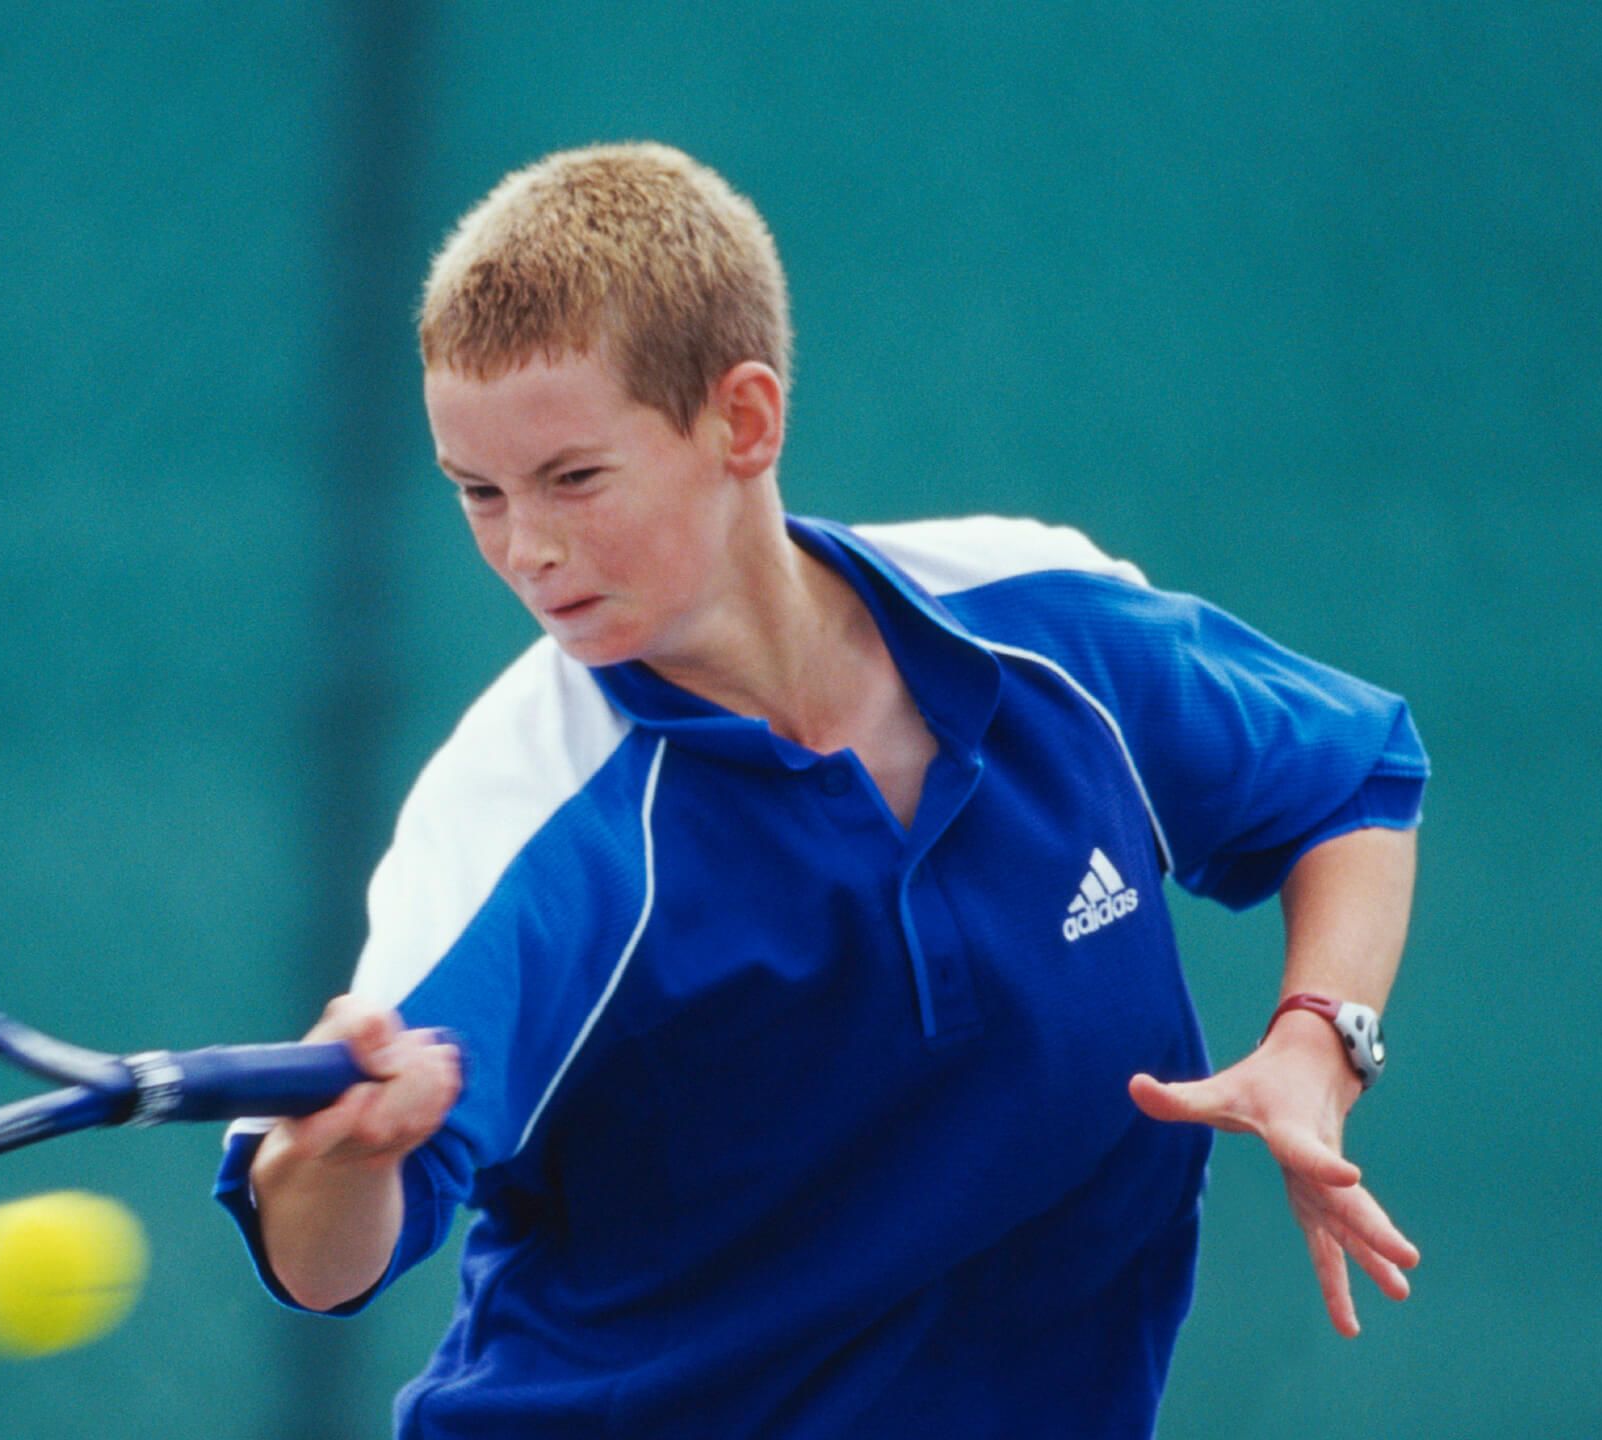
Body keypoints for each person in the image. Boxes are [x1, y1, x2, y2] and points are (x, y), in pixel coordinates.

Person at [213, 142, 1426, 1437]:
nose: (529, 548)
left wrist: (1318, 1037)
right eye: (478, 493)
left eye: (573, 478)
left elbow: (1350, 783)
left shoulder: (1041, 628)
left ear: (743, 420)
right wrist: (340, 1152)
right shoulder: (529, 821)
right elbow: (319, 1260)